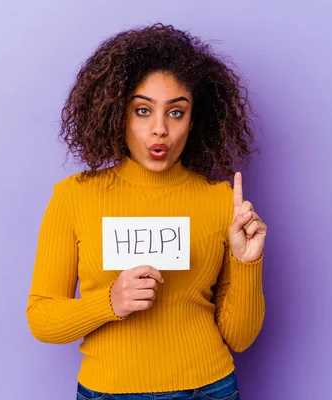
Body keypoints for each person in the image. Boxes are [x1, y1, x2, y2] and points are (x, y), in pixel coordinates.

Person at [26, 23, 267, 400]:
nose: (159, 130)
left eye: (176, 113)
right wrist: (110, 302)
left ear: (194, 121)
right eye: (142, 110)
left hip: (209, 389)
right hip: (109, 392)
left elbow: (240, 337)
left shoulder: (220, 201)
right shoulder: (74, 197)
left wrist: (247, 261)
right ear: (116, 114)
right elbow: (42, 319)